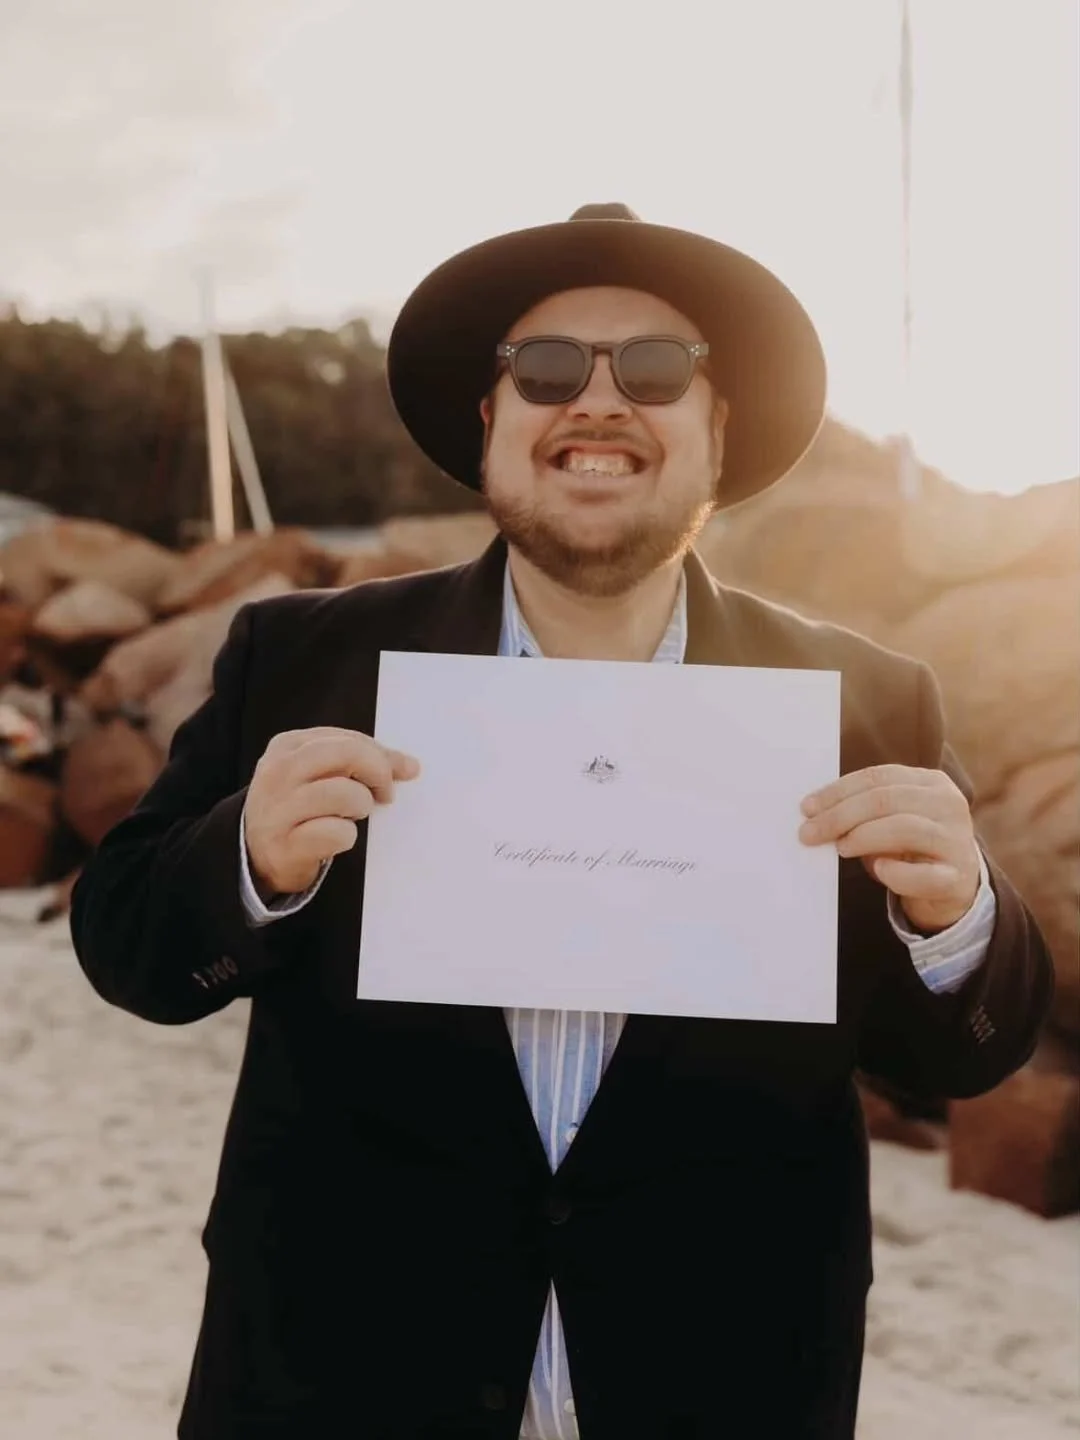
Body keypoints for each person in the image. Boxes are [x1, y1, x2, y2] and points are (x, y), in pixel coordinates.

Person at [70, 203, 1053, 1440]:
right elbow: (126, 947)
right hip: (346, 1371)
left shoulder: (863, 699)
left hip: (718, 1378)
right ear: (492, 420)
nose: (598, 402)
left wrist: (958, 914)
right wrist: (249, 862)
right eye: (545, 369)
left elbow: (961, 1053)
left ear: (717, 428)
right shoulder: (302, 656)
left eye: (655, 370)